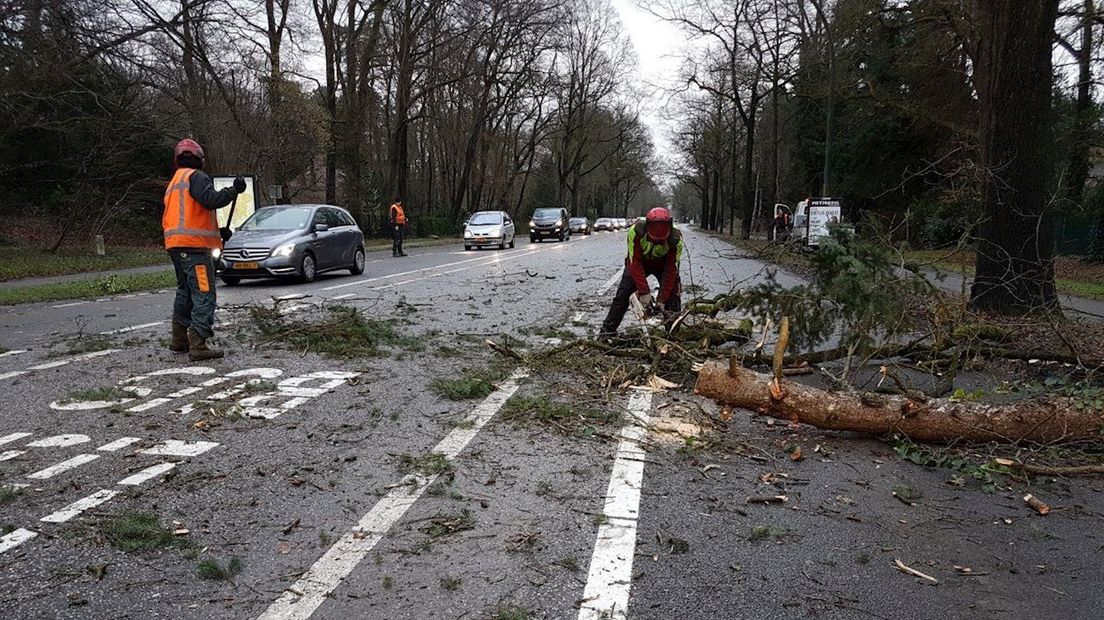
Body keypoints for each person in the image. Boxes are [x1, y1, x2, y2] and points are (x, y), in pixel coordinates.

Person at [163, 138, 244, 361]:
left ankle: (179, 340)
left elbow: (190, 215)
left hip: (176, 246)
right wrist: (233, 190)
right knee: (204, 293)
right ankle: (198, 345)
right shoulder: (196, 177)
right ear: (201, 160)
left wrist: (218, 233)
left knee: (185, 292)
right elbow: (210, 200)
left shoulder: (175, 182)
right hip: (195, 249)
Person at [600, 207, 684, 337]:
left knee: (672, 295)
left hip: (663, 263)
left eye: (660, 241)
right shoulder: (636, 231)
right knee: (623, 293)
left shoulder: (676, 239)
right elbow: (635, 263)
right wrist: (644, 292)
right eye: (654, 239)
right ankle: (607, 333)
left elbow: (671, 270)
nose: (657, 242)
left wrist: (662, 299)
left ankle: (673, 335)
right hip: (640, 261)